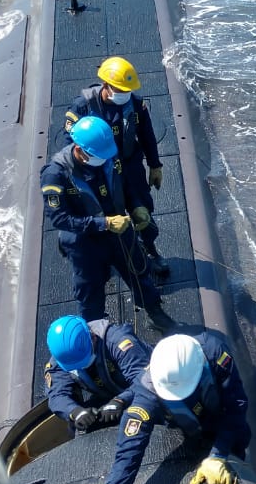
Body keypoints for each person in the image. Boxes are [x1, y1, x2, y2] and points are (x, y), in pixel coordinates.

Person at [85, 330, 250, 484]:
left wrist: (218, 454)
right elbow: (127, 456)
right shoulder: (148, 393)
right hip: (187, 426)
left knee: (239, 442)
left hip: (223, 422)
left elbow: (236, 405)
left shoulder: (214, 352)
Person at [40, 114, 171, 328]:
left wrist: (136, 206)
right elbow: (59, 218)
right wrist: (104, 224)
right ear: (79, 150)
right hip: (85, 241)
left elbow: (124, 185)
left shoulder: (107, 155)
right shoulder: (56, 175)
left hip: (119, 229)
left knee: (139, 271)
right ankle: (97, 333)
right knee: (89, 290)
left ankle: (155, 312)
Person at [63, 56, 169, 278]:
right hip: (101, 170)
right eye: (120, 89)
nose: (124, 94)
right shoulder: (83, 107)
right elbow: (73, 143)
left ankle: (150, 250)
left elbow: (147, 135)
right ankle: (114, 257)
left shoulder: (136, 104)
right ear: (106, 86)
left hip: (130, 168)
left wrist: (155, 165)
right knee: (109, 215)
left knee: (143, 212)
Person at [44, 315, 151, 433]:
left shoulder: (118, 341)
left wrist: (121, 400)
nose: (81, 367)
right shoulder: (64, 357)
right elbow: (57, 396)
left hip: (146, 389)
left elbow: (145, 379)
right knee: (77, 426)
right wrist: (75, 412)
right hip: (107, 395)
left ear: (93, 337)